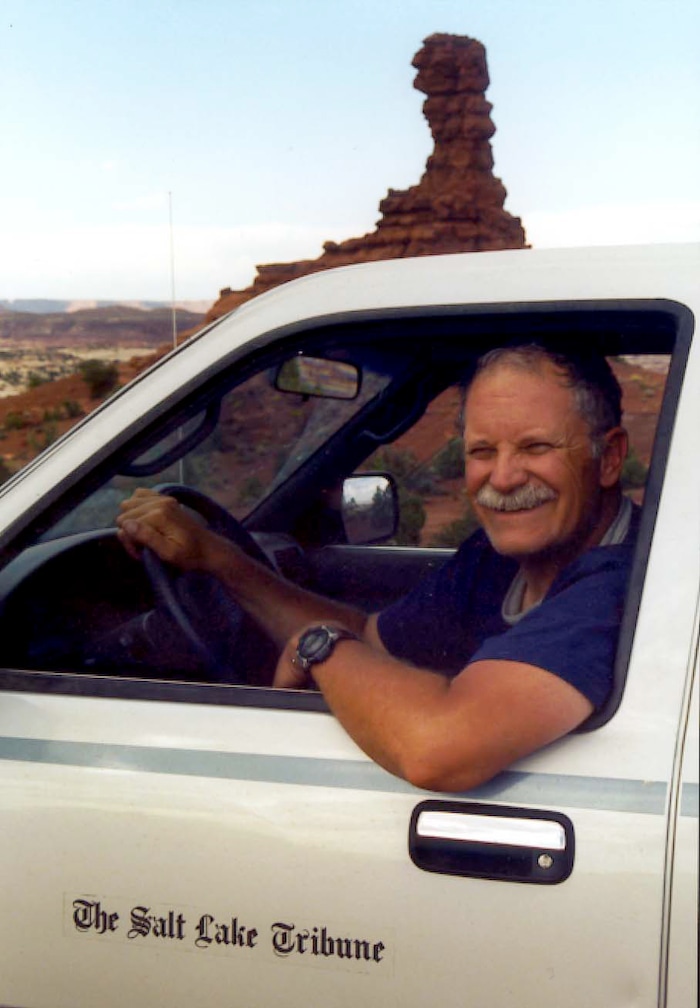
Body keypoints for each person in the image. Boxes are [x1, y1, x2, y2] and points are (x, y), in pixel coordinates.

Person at [117, 344, 635, 793]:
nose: (501, 478)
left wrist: (319, 644)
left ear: (608, 458)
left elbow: (438, 748)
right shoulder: (500, 557)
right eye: (481, 451)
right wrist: (218, 558)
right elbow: (369, 636)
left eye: (535, 447)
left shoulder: (619, 587)